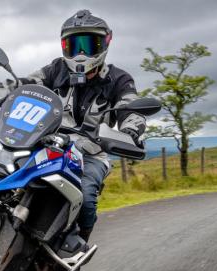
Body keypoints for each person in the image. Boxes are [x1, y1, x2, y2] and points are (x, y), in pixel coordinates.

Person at [17, 9, 147, 241]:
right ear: (64, 46)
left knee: (85, 196)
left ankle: (79, 241)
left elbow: (131, 107)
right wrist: (6, 87)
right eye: (74, 45)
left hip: (92, 154)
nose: (81, 53)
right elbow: (27, 84)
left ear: (104, 44)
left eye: (88, 44)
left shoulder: (119, 79)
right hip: (47, 145)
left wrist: (130, 131)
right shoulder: (55, 70)